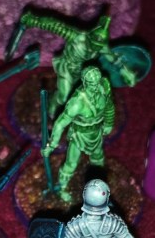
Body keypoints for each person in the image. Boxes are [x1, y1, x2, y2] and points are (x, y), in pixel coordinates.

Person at [43, 65, 115, 202]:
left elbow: (109, 106)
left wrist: (109, 123)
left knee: (98, 158)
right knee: (71, 164)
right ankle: (63, 188)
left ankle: (100, 184)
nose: (96, 86)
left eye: (97, 82)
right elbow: (60, 123)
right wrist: (52, 144)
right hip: (79, 135)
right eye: (92, 83)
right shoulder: (77, 102)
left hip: (96, 132)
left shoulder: (102, 88)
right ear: (85, 82)